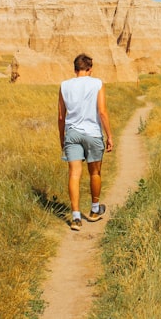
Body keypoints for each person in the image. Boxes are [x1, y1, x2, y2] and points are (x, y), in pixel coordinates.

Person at [57, 53, 114, 231]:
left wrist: (62, 139)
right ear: (90, 69)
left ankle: (75, 217)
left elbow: (61, 116)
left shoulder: (64, 85)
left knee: (74, 174)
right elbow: (102, 112)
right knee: (95, 172)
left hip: (72, 134)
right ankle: (95, 210)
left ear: (75, 69)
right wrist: (110, 136)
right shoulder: (97, 83)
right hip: (93, 134)